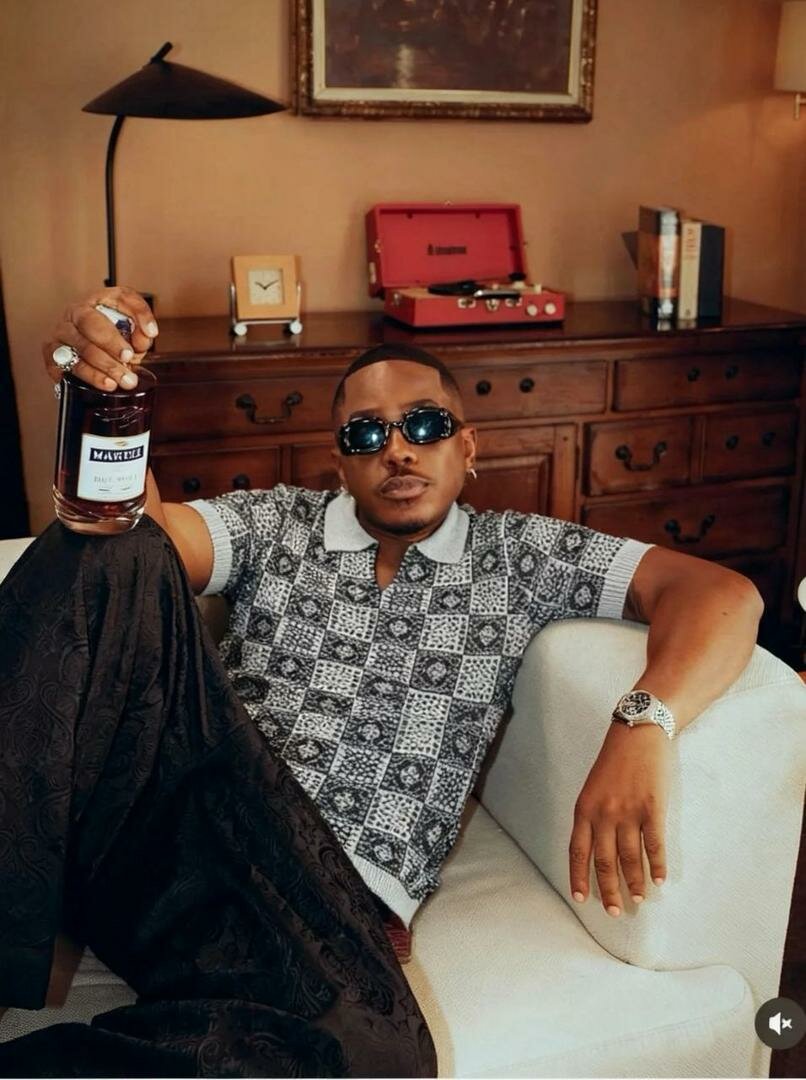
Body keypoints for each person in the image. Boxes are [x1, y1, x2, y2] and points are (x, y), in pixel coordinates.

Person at [2, 287, 764, 1075]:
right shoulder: (278, 522)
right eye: (367, 433)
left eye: (425, 426)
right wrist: (95, 394)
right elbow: (140, 555)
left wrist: (642, 724)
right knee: (117, 544)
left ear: (467, 446)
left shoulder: (523, 555)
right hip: (187, 819)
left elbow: (719, 593)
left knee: (377, 1054)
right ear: (340, 462)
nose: (398, 450)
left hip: (320, 907)